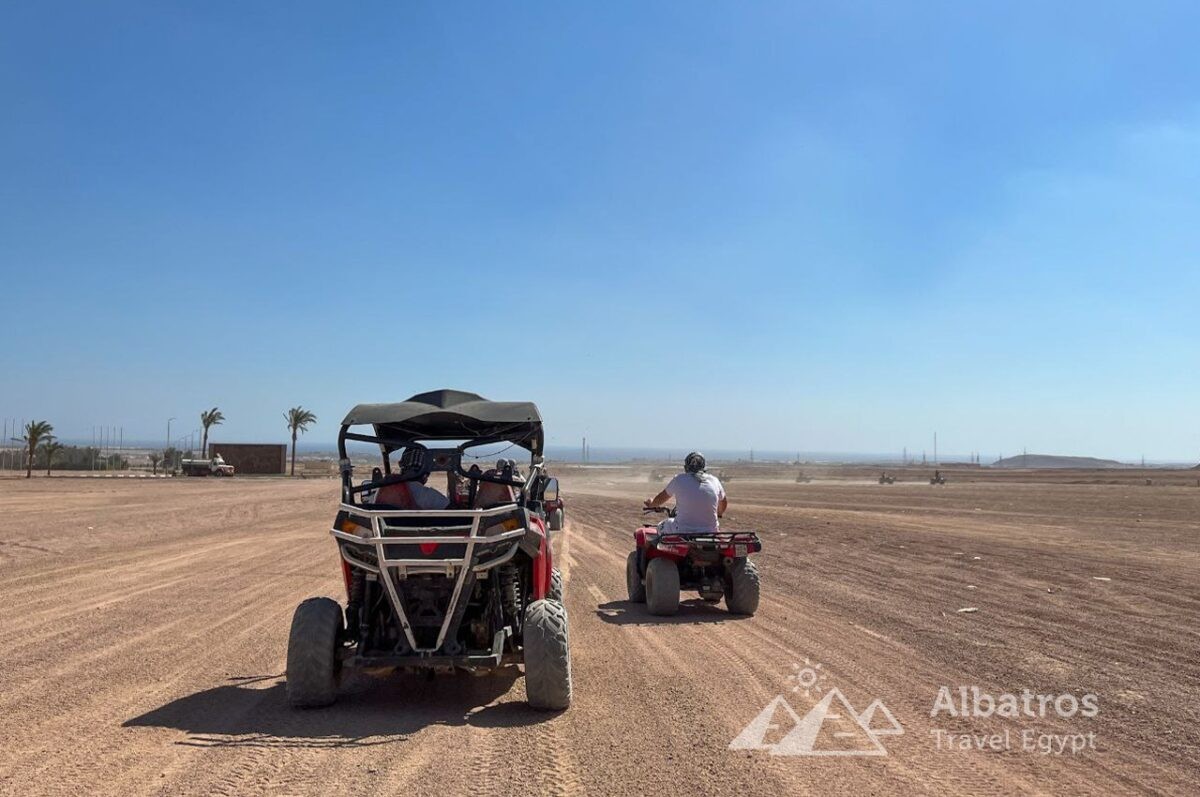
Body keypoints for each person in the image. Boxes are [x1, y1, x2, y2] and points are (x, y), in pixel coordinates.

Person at [644, 451, 727, 534]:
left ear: (686, 466)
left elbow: (661, 498)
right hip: (711, 531)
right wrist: (719, 513)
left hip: (682, 530)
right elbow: (723, 502)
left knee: (659, 527)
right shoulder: (714, 480)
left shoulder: (679, 479)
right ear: (703, 466)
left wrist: (652, 504)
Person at [373, 447, 449, 509]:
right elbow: (452, 511)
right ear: (424, 474)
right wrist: (452, 480)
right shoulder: (426, 495)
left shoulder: (383, 488)